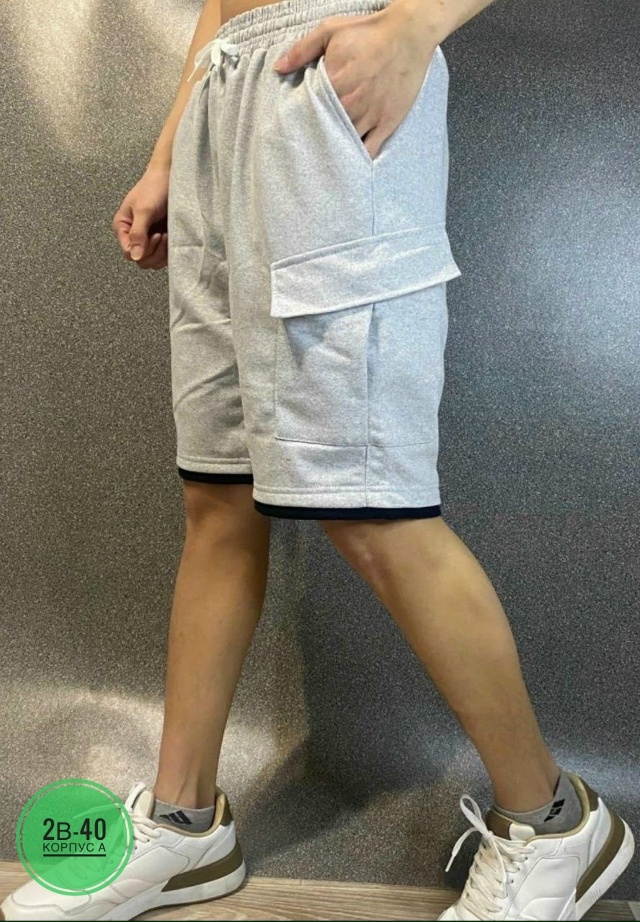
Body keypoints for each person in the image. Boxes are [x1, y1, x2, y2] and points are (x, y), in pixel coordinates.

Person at [2, 0, 635, 919]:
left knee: (371, 508)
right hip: (224, 96)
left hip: (332, 78)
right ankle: (184, 824)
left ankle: (554, 823)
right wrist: (171, 151)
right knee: (217, 499)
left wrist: (415, 25)